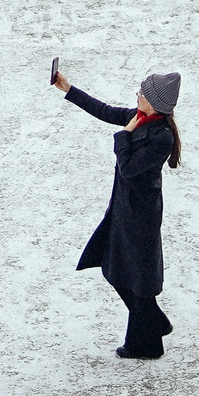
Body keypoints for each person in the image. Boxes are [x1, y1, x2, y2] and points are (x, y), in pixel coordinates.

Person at [52, 65, 183, 358]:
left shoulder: (160, 137)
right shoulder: (140, 118)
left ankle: (145, 345)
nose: (137, 95)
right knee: (117, 270)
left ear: (155, 102)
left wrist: (123, 137)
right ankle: (154, 321)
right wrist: (69, 89)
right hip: (124, 211)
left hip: (140, 219)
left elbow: (129, 169)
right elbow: (105, 111)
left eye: (142, 93)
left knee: (133, 275)